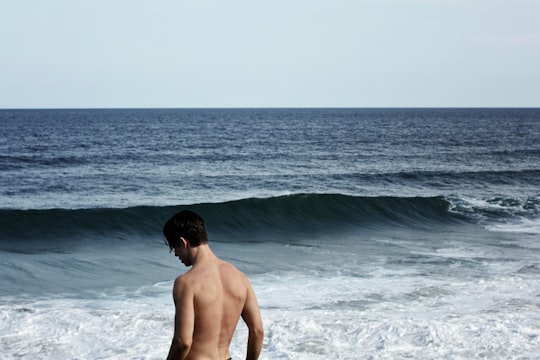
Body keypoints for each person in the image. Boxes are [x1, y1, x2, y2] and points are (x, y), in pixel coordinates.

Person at [163, 210, 264, 360]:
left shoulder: (186, 283)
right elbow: (257, 331)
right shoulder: (240, 277)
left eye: (174, 248)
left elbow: (183, 341)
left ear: (184, 242)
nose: (176, 254)